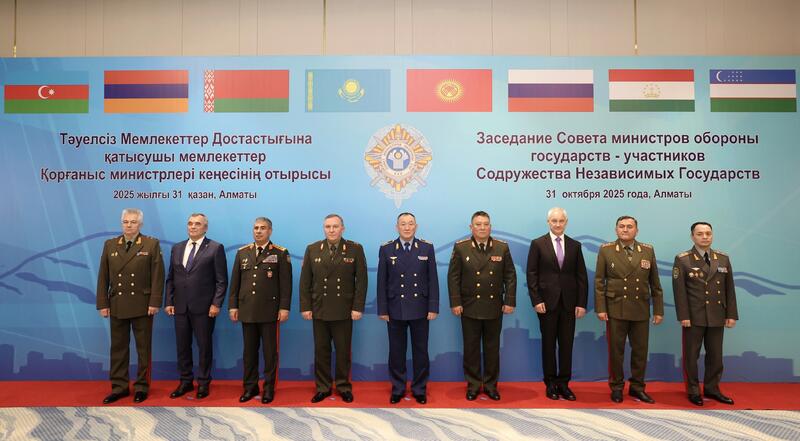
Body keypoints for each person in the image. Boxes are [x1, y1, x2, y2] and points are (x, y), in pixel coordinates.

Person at [96, 208, 164, 404]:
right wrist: (103, 303)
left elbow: (158, 275)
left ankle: (142, 386)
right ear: (121, 223)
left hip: (142, 304)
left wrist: (155, 302)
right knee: (118, 348)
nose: (129, 225)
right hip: (117, 303)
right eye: (126, 221)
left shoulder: (151, 244)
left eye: (133, 222)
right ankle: (119, 387)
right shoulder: (110, 244)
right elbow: (103, 276)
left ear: (140, 224)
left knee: (143, 349)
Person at [447, 210, 516, 401]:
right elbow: (453, 277)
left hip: (494, 306)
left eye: (485, 224)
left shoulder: (501, 247)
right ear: (471, 227)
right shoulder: (461, 248)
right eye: (478, 224)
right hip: (469, 306)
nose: (482, 227)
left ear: (490, 227)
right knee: (471, 349)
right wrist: (456, 302)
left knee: (492, 349)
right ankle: (474, 385)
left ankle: (491, 385)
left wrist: (509, 301)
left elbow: (510, 276)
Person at [594, 215, 664, 404]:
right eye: (622, 226)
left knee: (640, 351)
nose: (625, 229)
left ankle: (637, 388)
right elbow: (599, 281)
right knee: (616, 352)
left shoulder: (647, 250)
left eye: (629, 226)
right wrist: (601, 308)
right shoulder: (606, 250)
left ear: (636, 230)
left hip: (640, 308)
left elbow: (655, 283)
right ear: (616, 230)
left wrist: (658, 310)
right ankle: (616, 387)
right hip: (615, 308)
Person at [299, 214, 367, 403]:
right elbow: (305, 281)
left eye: (335, 226)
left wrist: (357, 307)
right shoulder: (313, 249)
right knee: (321, 351)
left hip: (343, 309)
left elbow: (361, 281)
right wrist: (305, 306)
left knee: (343, 352)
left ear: (342, 228)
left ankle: (343, 386)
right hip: (319, 308)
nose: (331, 230)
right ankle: (323, 387)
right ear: (324, 228)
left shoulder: (355, 249)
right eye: (328, 226)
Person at [672, 222, 738, 406]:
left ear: (712, 235)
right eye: (700, 234)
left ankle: (712, 388)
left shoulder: (723, 258)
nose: (705, 237)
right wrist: (683, 316)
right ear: (692, 236)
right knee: (691, 356)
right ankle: (693, 390)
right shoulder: (683, 259)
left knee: (715, 356)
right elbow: (679, 291)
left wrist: (731, 314)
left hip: (717, 314)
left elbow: (729, 289)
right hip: (693, 316)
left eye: (708, 233)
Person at [526, 207, 588, 401]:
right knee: (548, 345)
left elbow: (581, 277)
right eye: (554, 221)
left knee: (567, 345)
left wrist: (581, 303)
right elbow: (531, 274)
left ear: (566, 222)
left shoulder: (575, 246)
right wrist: (536, 300)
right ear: (548, 222)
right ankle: (551, 383)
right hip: (546, 304)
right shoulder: (538, 244)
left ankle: (564, 384)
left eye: (561, 221)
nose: (558, 224)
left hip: (569, 304)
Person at [377, 212, 439, 405]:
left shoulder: (426, 248)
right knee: (396, 352)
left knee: (421, 352)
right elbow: (381, 281)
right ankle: (398, 388)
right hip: (395, 308)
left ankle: (419, 389)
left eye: (410, 223)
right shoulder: (387, 249)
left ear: (416, 226)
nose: (407, 227)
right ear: (397, 227)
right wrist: (383, 309)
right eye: (403, 224)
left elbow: (433, 279)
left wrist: (433, 307)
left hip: (420, 308)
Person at [164, 213, 228, 400]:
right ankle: (185, 381)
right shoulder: (177, 248)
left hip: (204, 308)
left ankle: (203, 383)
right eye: (190, 223)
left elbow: (221, 280)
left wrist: (216, 303)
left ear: (205, 228)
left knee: (204, 347)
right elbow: (171, 278)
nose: (193, 227)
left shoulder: (215, 248)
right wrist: (169, 301)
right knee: (182, 347)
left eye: (197, 224)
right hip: (180, 307)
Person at [229, 217, 292, 404]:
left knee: (270, 353)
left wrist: (284, 307)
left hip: (269, 311)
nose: (258, 231)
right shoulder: (243, 252)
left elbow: (286, 284)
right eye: (256, 228)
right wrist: (233, 305)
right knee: (249, 353)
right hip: (247, 309)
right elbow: (235, 282)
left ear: (270, 231)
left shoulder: (280, 253)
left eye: (263, 228)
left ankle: (269, 388)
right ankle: (250, 387)